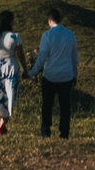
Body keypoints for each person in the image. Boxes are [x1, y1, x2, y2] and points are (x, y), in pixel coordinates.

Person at [26, 8, 79, 138]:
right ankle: (64, 133)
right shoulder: (70, 34)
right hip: (66, 75)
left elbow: (41, 59)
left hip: (49, 76)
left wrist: (30, 73)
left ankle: (45, 131)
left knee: (47, 106)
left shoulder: (47, 36)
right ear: (59, 20)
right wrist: (74, 75)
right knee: (65, 107)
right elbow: (74, 58)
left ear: (50, 21)